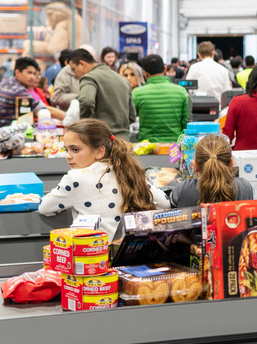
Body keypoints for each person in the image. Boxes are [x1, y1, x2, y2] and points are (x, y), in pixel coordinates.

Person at [39, 119, 170, 239]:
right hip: (130, 251)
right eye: (66, 149)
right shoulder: (128, 171)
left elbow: (44, 208)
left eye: (75, 149)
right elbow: (164, 203)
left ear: (99, 152)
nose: (68, 156)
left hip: (95, 254)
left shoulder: (74, 178)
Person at [69, 48, 136, 140]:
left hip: (101, 141)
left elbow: (86, 101)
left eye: (73, 69)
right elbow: (132, 116)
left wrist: (85, 126)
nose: (74, 74)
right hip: (123, 141)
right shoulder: (122, 80)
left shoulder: (89, 78)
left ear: (82, 64)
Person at [171, 134, 253, 208]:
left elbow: (169, 203)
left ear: (195, 166)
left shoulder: (185, 188)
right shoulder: (244, 187)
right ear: (231, 164)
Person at [132, 54, 190, 143]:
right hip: (174, 146)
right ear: (165, 69)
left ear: (145, 73)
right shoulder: (181, 92)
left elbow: (131, 118)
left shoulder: (137, 93)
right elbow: (186, 122)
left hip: (147, 146)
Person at [0, 58, 65, 126]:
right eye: (29, 73)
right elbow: (43, 109)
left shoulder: (5, 82)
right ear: (17, 72)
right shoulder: (18, 90)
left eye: (34, 74)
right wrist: (66, 116)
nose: (32, 77)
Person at [185, 41, 232, 108]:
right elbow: (226, 92)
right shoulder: (223, 69)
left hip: (197, 108)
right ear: (213, 53)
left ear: (199, 54)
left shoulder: (194, 68)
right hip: (217, 108)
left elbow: (188, 89)